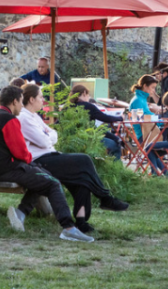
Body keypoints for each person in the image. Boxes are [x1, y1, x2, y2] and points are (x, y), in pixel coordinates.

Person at [0, 85, 93, 242]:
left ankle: (20, 214)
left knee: (44, 176)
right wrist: (29, 161)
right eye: (21, 101)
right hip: (7, 169)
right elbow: (20, 151)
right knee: (52, 182)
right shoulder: (9, 120)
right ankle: (69, 228)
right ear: (14, 102)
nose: (22, 105)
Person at [18, 83, 128, 233]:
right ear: (31, 99)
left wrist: (48, 136)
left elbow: (53, 134)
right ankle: (105, 198)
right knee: (84, 160)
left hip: (49, 155)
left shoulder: (34, 116)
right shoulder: (24, 117)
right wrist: (48, 136)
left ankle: (81, 221)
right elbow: (44, 141)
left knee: (82, 178)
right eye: (40, 97)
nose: (43, 100)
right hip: (38, 161)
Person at [70, 85, 124, 160]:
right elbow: (105, 118)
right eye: (88, 95)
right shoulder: (88, 106)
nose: (89, 98)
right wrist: (120, 118)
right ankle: (115, 166)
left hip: (71, 141)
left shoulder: (67, 107)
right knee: (115, 145)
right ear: (84, 93)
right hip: (89, 140)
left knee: (112, 137)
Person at [129, 74, 161, 142]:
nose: (154, 91)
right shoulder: (138, 100)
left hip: (148, 133)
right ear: (145, 86)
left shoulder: (141, 99)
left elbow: (145, 117)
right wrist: (160, 120)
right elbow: (141, 119)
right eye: (152, 87)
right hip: (144, 136)